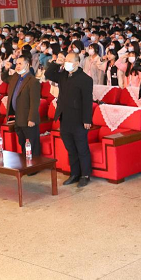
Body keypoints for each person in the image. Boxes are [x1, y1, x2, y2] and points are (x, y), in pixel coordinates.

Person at [45, 52, 94, 188]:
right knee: (70, 148)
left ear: (77, 63)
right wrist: (56, 63)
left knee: (82, 148)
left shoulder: (85, 79)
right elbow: (48, 74)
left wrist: (87, 119)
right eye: (66, 60)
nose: (66, 63)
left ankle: (85, 175)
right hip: (65, 117)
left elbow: (87, 101)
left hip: (78, 119)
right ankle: (75, 173)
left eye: (69, 61)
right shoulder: (63, 75)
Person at [1, 54, 41, 157]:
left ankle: (34, 164)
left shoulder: (33, 81)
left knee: (32, 145)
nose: (17, 66)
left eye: (20, 64)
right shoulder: (16, 77)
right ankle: (25, 163)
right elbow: (4, 78)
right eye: (17, 64)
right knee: (23, 143)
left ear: (27, 65)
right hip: (17, 118)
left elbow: (35, 102)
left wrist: (32, 119)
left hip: (28, 119)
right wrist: (6, 68)